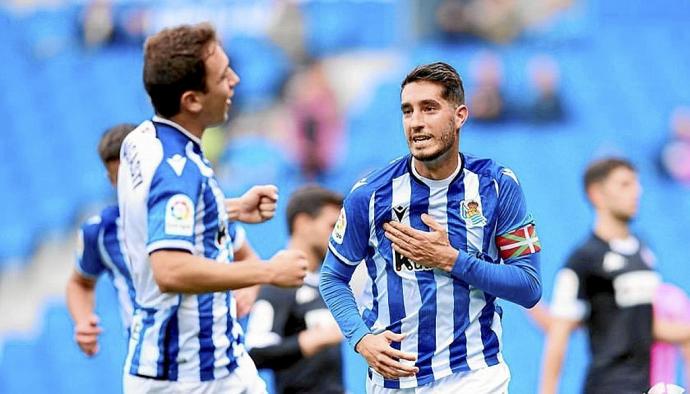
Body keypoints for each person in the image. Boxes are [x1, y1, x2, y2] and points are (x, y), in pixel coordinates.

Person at [319, 62, 542, 393]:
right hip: (397, 381)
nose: (416, 122)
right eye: (407, 111)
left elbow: (529, 286)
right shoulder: (369, 195)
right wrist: (361, 338)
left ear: (460, 115)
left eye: (429, 108)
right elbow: (332, 277)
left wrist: (450, 259)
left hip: (476, 375)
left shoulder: (496, 186)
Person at [117, 23, 308, 393]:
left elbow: (161, 215)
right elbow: (170, 269)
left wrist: (230, 208)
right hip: (188, 376)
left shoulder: (143, 139)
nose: (235, 80)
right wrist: (267, 271)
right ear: (191, 100)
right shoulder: (178, 171)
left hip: (218, 361)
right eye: (223, 76)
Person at [539, 158, 690, 394]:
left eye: (636, 184)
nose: (637, 191)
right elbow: (560, 333)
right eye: (624, 184)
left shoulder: (642, 249)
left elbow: (642, 322)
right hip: (608, 386)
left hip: (644, 383)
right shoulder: (583, 259)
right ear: (597, 194)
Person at [246, 186, 345, 393]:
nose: (339, 236)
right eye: (332, 226)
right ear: (302, 224)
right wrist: (308, 341)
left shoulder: (327, 283)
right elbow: (255, 352)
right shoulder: (278, 284)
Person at [66, 123, 138, 357]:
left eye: (135, 174)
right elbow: (79, 283)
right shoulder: (101, 232)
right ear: (111, 180)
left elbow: (242, 255)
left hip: (211, 353)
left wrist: (247, 292)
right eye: (121, 178)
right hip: (147, 366)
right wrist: (83, 321)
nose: (131, 186)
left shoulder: (189, 210)